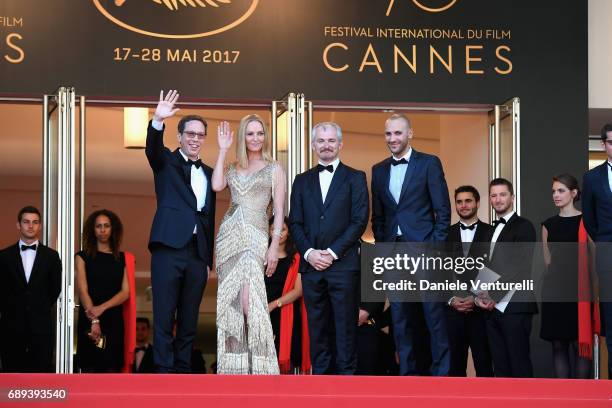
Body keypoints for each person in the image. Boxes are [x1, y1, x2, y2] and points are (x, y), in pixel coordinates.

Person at [370, 113, 451, 376]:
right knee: (400, 318)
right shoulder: (378, 169)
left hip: (425, 250)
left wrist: (435, 246)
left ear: (410, 134)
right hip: (393, 253)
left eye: (398, 133)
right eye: (388, 134)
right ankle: (408, 375)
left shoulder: (429, 163)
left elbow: (443, 210)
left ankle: (442, 375)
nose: (393, 139)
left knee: (434, 317)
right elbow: (379, 216)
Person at [289, 121, 369, 375]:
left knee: (345, 329)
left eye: (331, 140)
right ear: (313, 145)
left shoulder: (356, 177)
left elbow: (359, 220)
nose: (326, 145)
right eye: (321, 141)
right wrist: (310, 254)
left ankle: (347, 388)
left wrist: (332, 253)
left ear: (340, 144)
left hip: (343, 266)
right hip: (312, 268)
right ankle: (320, 386)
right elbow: (295, 222)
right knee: (317, 328)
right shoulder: (301, 181)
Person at [146, 90, 216, 373]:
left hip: (197, 254)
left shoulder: (210, 172)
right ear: (180, 136)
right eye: (191, 134)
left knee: (190, 317)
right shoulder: (165, 162)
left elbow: (209, 217)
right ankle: (163, 372)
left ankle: (183, 371)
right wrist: (157, 120)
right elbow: (152, 148)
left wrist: (208, 258)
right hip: (168, 248)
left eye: (200, 135)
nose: (195, 139)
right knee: (164, 314)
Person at [212, 113, 286, 375]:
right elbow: (217, 184)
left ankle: (263, 366)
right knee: (231, 299)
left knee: (249, 300)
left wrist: (274, 245)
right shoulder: (232, 167)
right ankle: (233, 367)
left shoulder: (274, 168)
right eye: (250, 133)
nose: (256, 138)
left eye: (260, 133)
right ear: (243, 136)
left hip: (256, 235)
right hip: (229, 235)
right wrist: (222, 151)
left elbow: (278, 210)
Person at [476, 178, 537, 378]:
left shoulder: (524, 226)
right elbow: (485, 267)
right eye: (494, 195)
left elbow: (520, 266)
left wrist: (492, 294)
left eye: (503, 194)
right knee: (500, 368)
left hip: (515, 306)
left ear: (512, 197)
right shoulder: (491, 230)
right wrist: (479, 296)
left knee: (519, 365)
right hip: (491, 310)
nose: (498, 199)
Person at [540, 174, 592, 378]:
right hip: (554, 290)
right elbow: (547, 261)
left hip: (579, 290)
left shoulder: (586, 222)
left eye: (560, 190)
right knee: (558, 345)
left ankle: (582, 400)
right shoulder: (548, 225)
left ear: (574, 193)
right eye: (553, 191)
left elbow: (594, 258)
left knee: (581, 347)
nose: (556, 195)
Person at [0, 206, 61, 372]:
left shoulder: (52, 257)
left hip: (41, 327)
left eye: (35, 222)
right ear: (18, 225)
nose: (30, 226)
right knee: (11, 375)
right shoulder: (3, 256)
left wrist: (39, 307)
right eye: (26, 222)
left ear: (40, 226)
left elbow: (55, 289)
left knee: (41, 376)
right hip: (10, 327)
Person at [445, 186, 493, 377]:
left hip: (481, 311)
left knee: (485, 366)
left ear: (478, 203)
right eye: (459, 201)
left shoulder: (492, 233)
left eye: (468, 201)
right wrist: (450, 299)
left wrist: (475, 297)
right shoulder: (444, 234)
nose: (463, 205)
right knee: (454, 369)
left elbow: (493, 266)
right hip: (452, 311)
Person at [76, 209, 130, 373]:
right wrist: (95, 320)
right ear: (92, 230)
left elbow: (125, 292)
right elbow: (83, 290)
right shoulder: (82, 256)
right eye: (98, 226)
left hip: (113, 320)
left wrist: (102, 308)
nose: (103, 229)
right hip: (89, 317)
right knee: (89, 368)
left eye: (106, 226)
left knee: (113, 369)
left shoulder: (123, 258)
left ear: (113, 229)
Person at [582, 123, 612, 378]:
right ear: (604, 145)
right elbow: (590, 220)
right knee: (611, 314)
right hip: (607, 250)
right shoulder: (592, 177)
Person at [265, 217, 311, 374]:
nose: (279, 233)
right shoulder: (262, 257)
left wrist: (273, 304)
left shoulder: (296, 258)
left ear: (289, 232)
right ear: (269, 232)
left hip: (287, 313)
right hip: (263, 313)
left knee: (289, 364)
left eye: (283, 229)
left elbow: (298, 291)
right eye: (274, 229)